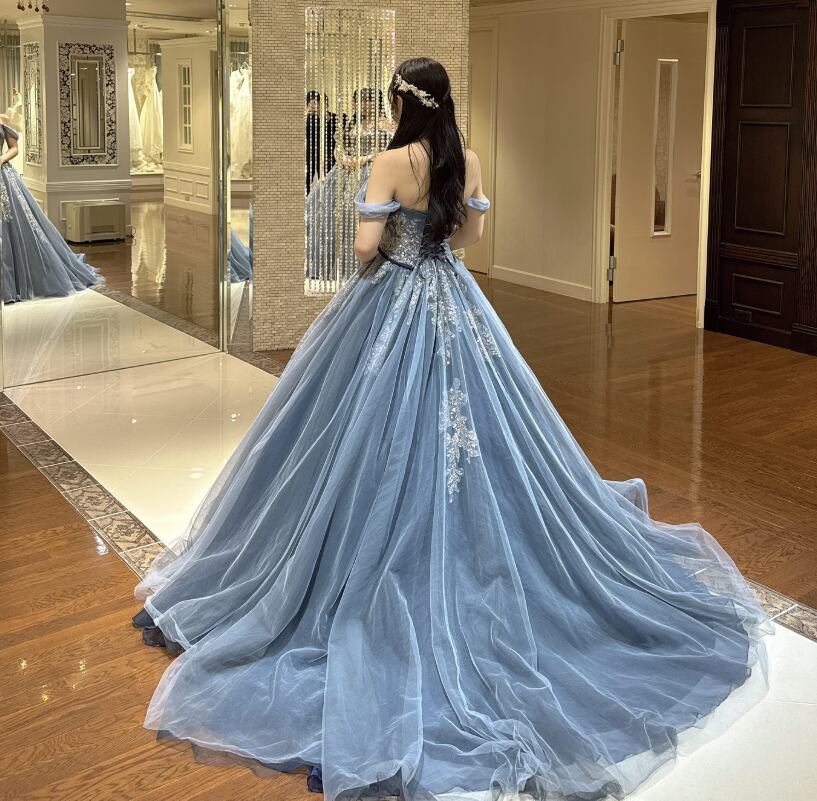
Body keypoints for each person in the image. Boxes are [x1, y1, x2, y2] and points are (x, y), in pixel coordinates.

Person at [133, 57, 770, 801]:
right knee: (494, 431)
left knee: (346, 437)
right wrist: (426, 235)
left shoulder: (389, 161)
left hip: (390, 298)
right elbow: (468, 237)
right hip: (453, 298)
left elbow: (365, 250)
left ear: (402, 102)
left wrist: (378, 229)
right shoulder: (466, 157)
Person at [0, 115, 101, 303]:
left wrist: (2, 158)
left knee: (13, 225)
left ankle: (14, 283)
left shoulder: (2, 119)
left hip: (2, 175)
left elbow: (14, 147)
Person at [306, 87, 392, 284]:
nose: (363, 105)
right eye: (359, 101)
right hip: (344, 171)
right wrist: (343, 157)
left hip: (369, 172)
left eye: (367, 100)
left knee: (356, 216)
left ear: (376, 103)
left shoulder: (385, 124)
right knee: (331, 214)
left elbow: (388, 151)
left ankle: (359, 269)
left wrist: (364, 159)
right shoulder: (353, 122)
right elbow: (340, 146)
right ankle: (331, 267)